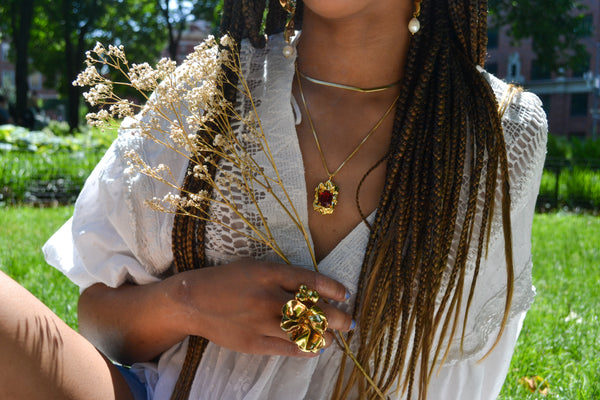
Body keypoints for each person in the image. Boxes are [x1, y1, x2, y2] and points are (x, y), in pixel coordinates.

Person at [0, 0, 547, 399]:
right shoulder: (208, 90)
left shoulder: (500, 131)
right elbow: (99, 321)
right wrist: (188, 302)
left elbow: (464, 372)